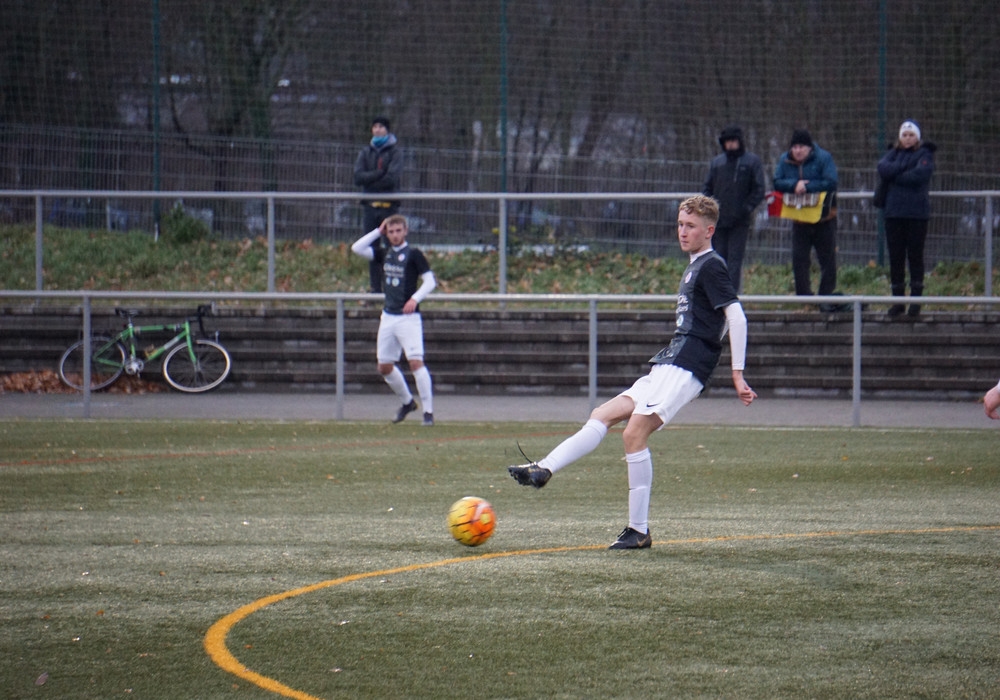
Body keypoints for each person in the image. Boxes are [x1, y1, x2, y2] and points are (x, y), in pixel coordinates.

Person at [507, 195, 757, 549]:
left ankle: (638, 530)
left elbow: (736, 317)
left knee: (633, 434)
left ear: (709, 231)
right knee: (603, 414)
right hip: (670, 361)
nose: (682, 231)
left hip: (686, 365)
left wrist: (737, 373)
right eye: (680, 224)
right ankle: (544, 468)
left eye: (690, 226)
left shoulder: (711, 266)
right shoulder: (696, 265)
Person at [351, 214, 436, 426]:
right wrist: (377, 232)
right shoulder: (384, 253)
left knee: (416, 362)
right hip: (388, 317)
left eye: (398, 231)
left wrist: (415, 299)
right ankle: (407, 403)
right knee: (384, 367)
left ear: (405, 231)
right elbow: (357, 248)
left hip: (408, 318)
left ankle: (428, 412)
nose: (395, 235)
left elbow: (430, 281)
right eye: (391, 232)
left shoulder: (414, 254)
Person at [773, 129, 840, 310]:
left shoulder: (824, 158)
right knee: (799, 259)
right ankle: (804, 297)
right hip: (799, 219)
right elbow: (777, 181)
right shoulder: (784, 160)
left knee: (827, 260)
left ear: (809, 148)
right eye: (794, 147)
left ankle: (825, 298)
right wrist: (793, 185)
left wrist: (807, 187)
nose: (798, 150)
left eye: (801, 147)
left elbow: (831, 182)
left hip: (824, 218)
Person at [876, 119, 936, 318]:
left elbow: (919, 176)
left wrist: (895, 176)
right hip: (893, 214)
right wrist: (902, 169)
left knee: (915, 257)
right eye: (904, 135)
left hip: (917, 214)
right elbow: (882, 167)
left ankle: (915, 301)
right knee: (896, 258)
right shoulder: (892, 153)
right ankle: (898, 301)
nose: (908, 138)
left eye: (911, 135)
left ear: (917, 137)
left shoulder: (925, 154)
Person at [702, 124, 766, 292]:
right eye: (727, 141)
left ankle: (730, 296)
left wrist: (747, 208)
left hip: (740, 220)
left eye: (733, 141)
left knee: (735, 260)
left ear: (740, 141)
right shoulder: (717, 163)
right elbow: (707, 188)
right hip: (719, 219)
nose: (730, 144)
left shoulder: (751, 162)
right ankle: (718, 294)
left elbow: (759, 189)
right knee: (718, 258)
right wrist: (710, 209)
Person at [353, 116, 403, 294]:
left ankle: (392, 288)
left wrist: (371, 181)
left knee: (391, 249)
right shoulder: (365, 152)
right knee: (372, 250)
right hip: (370, 207)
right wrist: (378, 173)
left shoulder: (395, 152)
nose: (377, 129)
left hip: (389, 208)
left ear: (387, 130)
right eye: (374, 126)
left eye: (381, 126)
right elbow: (358, 177)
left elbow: (391, 178)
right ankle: (375, 289)